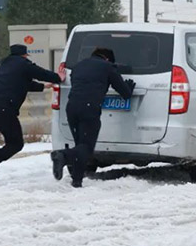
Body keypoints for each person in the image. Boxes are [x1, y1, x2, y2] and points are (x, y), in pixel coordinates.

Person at [0, 44, 62, 188]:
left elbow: (21, 83)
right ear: (24, 55)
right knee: (15, 143)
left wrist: (43, 87)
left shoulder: (5, 66)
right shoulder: (24, 65)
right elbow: (42, 73)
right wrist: (58, 77)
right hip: (4, 108)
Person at [51, 47, 135, 188]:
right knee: (87, 148)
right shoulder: (108, 67)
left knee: (81, 147)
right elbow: (125, 93)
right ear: (108, 59)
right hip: (89, 109)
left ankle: (77, 181)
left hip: (71, 108)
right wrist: (128, 87)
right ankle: (63, 156)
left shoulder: (78, 66)